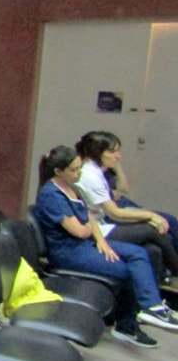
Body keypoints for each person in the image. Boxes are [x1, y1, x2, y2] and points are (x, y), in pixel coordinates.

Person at [34, 145, 164, 346]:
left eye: (79, 168)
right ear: (58, 172)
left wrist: (101, 241)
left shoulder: (72, 188)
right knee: (126, 270)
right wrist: (88, 225)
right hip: (68, 253)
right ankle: (126, 325)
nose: (79, 173)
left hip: (86, 245)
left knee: (138, 253)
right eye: (74, 170)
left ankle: (152, 307)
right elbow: (80, 230)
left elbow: (88, 221)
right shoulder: (51, 195)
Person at [75, 130, 178, 287]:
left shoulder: (95, 171)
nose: (118, 156)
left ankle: (162, 284)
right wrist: (151, 215)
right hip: (98, 230)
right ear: (97, 152)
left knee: (154, 248)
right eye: (112, 151)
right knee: (154, 229)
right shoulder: (90, 175)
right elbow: (115, 213)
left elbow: (120, 193)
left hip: (102, 223)